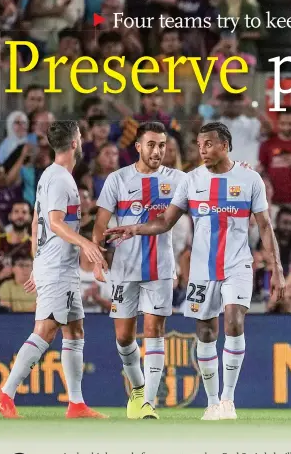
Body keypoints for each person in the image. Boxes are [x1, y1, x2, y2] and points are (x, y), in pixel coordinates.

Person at [105, 122, 285, 421]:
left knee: (234, 320)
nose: (202, 149)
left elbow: (265, 225)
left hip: (237, 264)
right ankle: (212, 402)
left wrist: (276, 268)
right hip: (202, 269)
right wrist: (134, 228)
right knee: (205, 331)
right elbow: (165, 222)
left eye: (209, 143)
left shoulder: (250, 178)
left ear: (225, 145)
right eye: (200, 144)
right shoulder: (190, 181)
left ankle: (228, 400)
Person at [0, 120, 108, 419]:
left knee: (75, 329)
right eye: (80, 136)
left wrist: (35, 262)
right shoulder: (59, 180)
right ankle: (4, 394)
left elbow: (36, 222)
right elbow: (53, 223)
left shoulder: (50, 177)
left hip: (54, 265)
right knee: (45, 330)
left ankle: (76, 404)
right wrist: (85, 244)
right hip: (57, 267)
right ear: (74, 142)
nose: (81, 141)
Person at [92, 122, 185, 420]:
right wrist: (98, 256)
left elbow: (210, 185)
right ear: (138, 146)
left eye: (162, 145)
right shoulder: (118, 179)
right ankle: (139, 390)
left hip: (160, 268)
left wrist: (239, 170)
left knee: (154, 330)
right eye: (151, 145)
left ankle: (149, 403)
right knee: (123, 337)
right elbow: (100, 223)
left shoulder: (178, 180)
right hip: (124, 268)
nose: (157, 151)